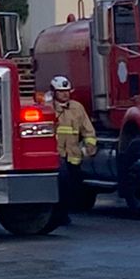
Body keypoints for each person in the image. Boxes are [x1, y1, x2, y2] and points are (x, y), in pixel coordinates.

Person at [49, 75, 97, 218]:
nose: (65, 94)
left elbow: (88, 130)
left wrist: (90, 145)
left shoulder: (77, 108)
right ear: (53, 92)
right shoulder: (48, 107)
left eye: (67, 91)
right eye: (61, 91)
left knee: (72, 186)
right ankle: (60, 215)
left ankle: (66, 212)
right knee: (59, 187)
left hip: (74, 156)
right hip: (57, 157)